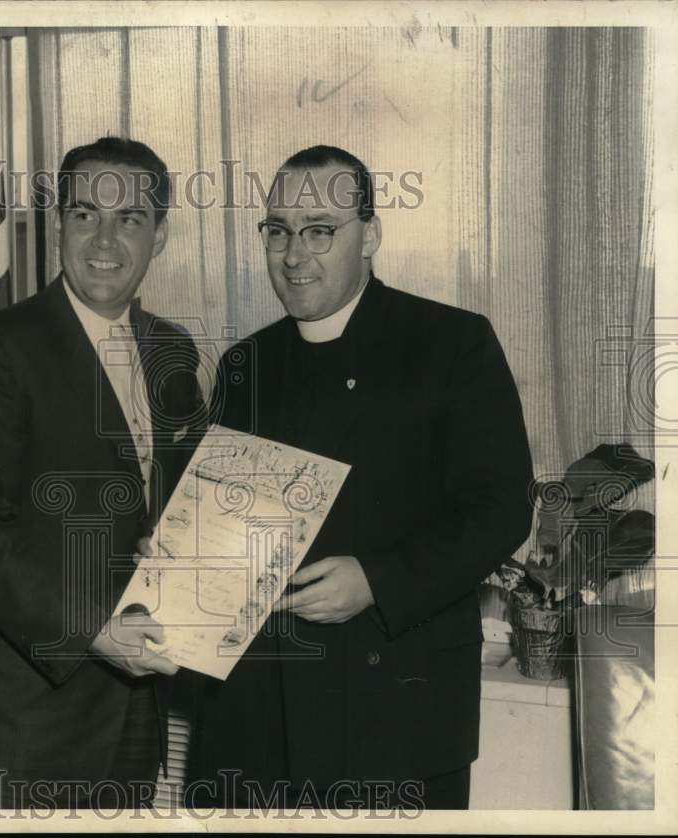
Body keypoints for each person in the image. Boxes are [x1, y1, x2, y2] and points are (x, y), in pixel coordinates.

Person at [183, 145, 534, 811]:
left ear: (369, 235)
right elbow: (224, 533)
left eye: (320, 230)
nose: (294, 254)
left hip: (395, 718)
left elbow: (501, 509)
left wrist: (378, 579)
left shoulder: (452, 344)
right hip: (258, 726)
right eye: (278, 230)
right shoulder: (243, 365)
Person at [0, 136, 205, 811]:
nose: (104, 240)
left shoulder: (172, 348)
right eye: (85, 215)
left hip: (135, 717)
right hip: (22, 723)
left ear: (160, 235)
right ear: (58, 224)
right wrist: (91, 629)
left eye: (130, 220)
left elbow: (182, 504)